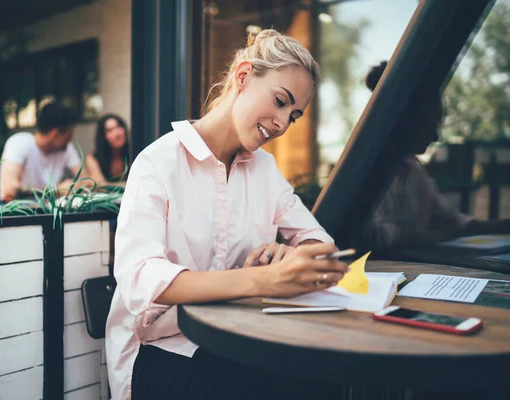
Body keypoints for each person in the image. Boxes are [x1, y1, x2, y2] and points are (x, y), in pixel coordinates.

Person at [105, 29, 349, 400]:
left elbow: (319, 243)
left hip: (239, 340)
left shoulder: (264, 170)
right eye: (281, 101)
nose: (283, 124)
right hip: (160, 350)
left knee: (321, 376)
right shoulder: (157, 163)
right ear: (243, 76)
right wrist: (265, 280)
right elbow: (141, 278)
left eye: (294, 115)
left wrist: (291, 253)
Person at [364, 61, 509, 249]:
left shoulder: (412, 170)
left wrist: (497, 226)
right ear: (405, 120)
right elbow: (373, 234)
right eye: (430, 125)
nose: (435, 136)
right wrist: (432, 237)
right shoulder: (369, 173)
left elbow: (446, 218)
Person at [0, 102, 82, 201]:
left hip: (50, 212)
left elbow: (87, 182)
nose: (70, 139)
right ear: (55, 134)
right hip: (19, 211)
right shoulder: (20, 142)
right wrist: (56, 190)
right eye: (69, 134)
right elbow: (9, 189)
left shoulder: (66, 149)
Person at [85, 114, 129, 186]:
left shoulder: (135, 153)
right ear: (103, 137)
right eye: (110, 130)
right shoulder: (92, 159)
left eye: (119, 127)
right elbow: (101, 185)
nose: (117, 133)